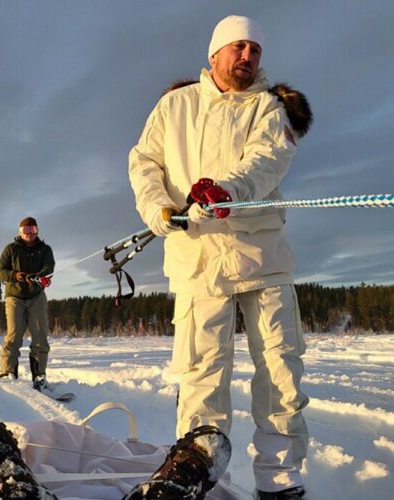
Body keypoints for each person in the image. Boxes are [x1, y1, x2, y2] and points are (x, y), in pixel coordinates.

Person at [128, 15, 313, 499]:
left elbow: (267, 159)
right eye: (238, 47)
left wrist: (228, 191)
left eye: (254, 49)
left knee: (280, 373)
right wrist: (155, 207)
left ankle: (280, 481)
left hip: (262, 255)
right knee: (200, 375)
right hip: (197, 260)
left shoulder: (269, 109)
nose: (247, 56)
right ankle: (198, 475)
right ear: (214, 55)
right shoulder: (174, 106)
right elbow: (144, 161)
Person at [0, 217, 55, 389]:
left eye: (33, 230)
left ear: (37, 231)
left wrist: (40, 276)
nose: (29, 234)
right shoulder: (10, 249)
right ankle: (8, 372)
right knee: (14, 335)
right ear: (19, 232)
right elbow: (0, 271)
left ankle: (39, 375)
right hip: (14, 297)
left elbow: (49, 267)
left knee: (40, 336)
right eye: (26, 230)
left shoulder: (45, 249)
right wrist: (16, 276)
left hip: (36, 297)